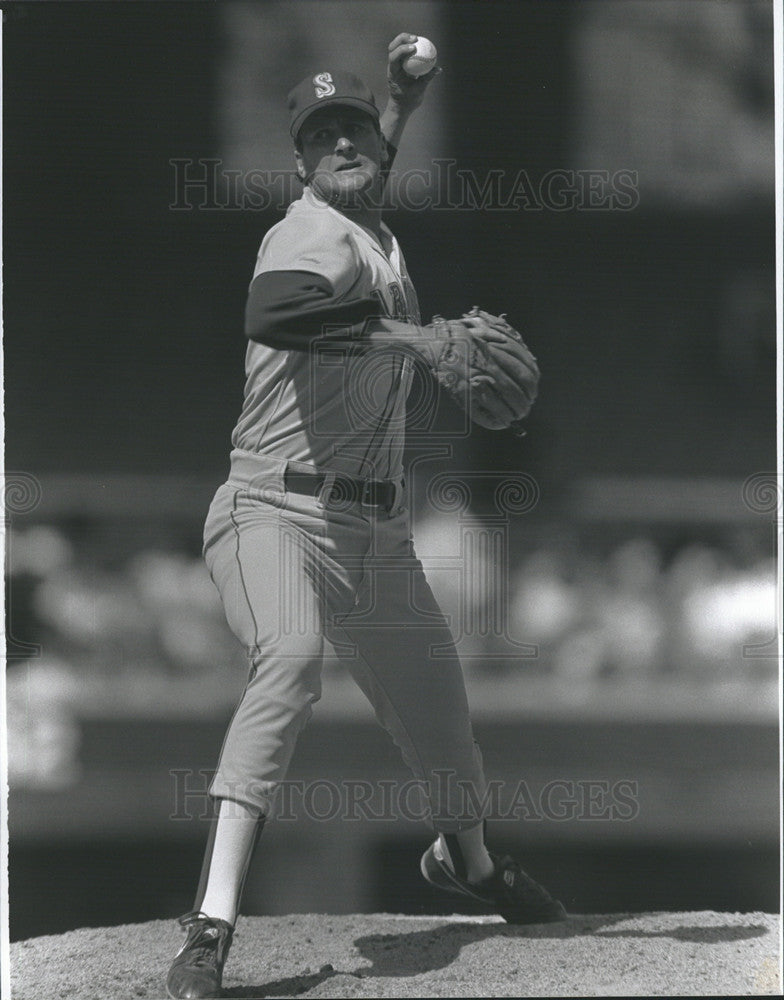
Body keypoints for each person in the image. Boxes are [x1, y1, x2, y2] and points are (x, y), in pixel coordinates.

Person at [166, 34, 564, 1000]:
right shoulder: (307, 232)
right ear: (299, 164)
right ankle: (210, 927)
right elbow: (274, 313)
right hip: (274, 509)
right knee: (289, 665)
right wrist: (418, 340)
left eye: (355, 132)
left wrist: (397, 102)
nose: (344, 144)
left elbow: (367, 176)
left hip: (374, 533)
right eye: (323, 135)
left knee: (443, 723)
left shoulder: (370, 225)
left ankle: (467, 862)